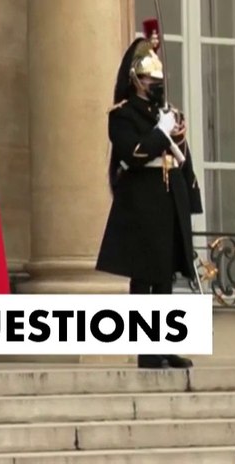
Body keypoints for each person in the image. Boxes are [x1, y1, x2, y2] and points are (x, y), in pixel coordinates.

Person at [96, 20, 199, 370]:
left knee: (166, 277)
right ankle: (146, 349)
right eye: (150, 80)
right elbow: (134, 154)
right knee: (144, 280)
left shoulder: (165, 113)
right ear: (136, 80)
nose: (155, 85)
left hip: (167, 200)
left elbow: (178, 157)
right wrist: (161, 132)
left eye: (158, 80)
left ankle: (166, 344)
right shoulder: (122, 115)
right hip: (142, 205)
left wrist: (179, 135)